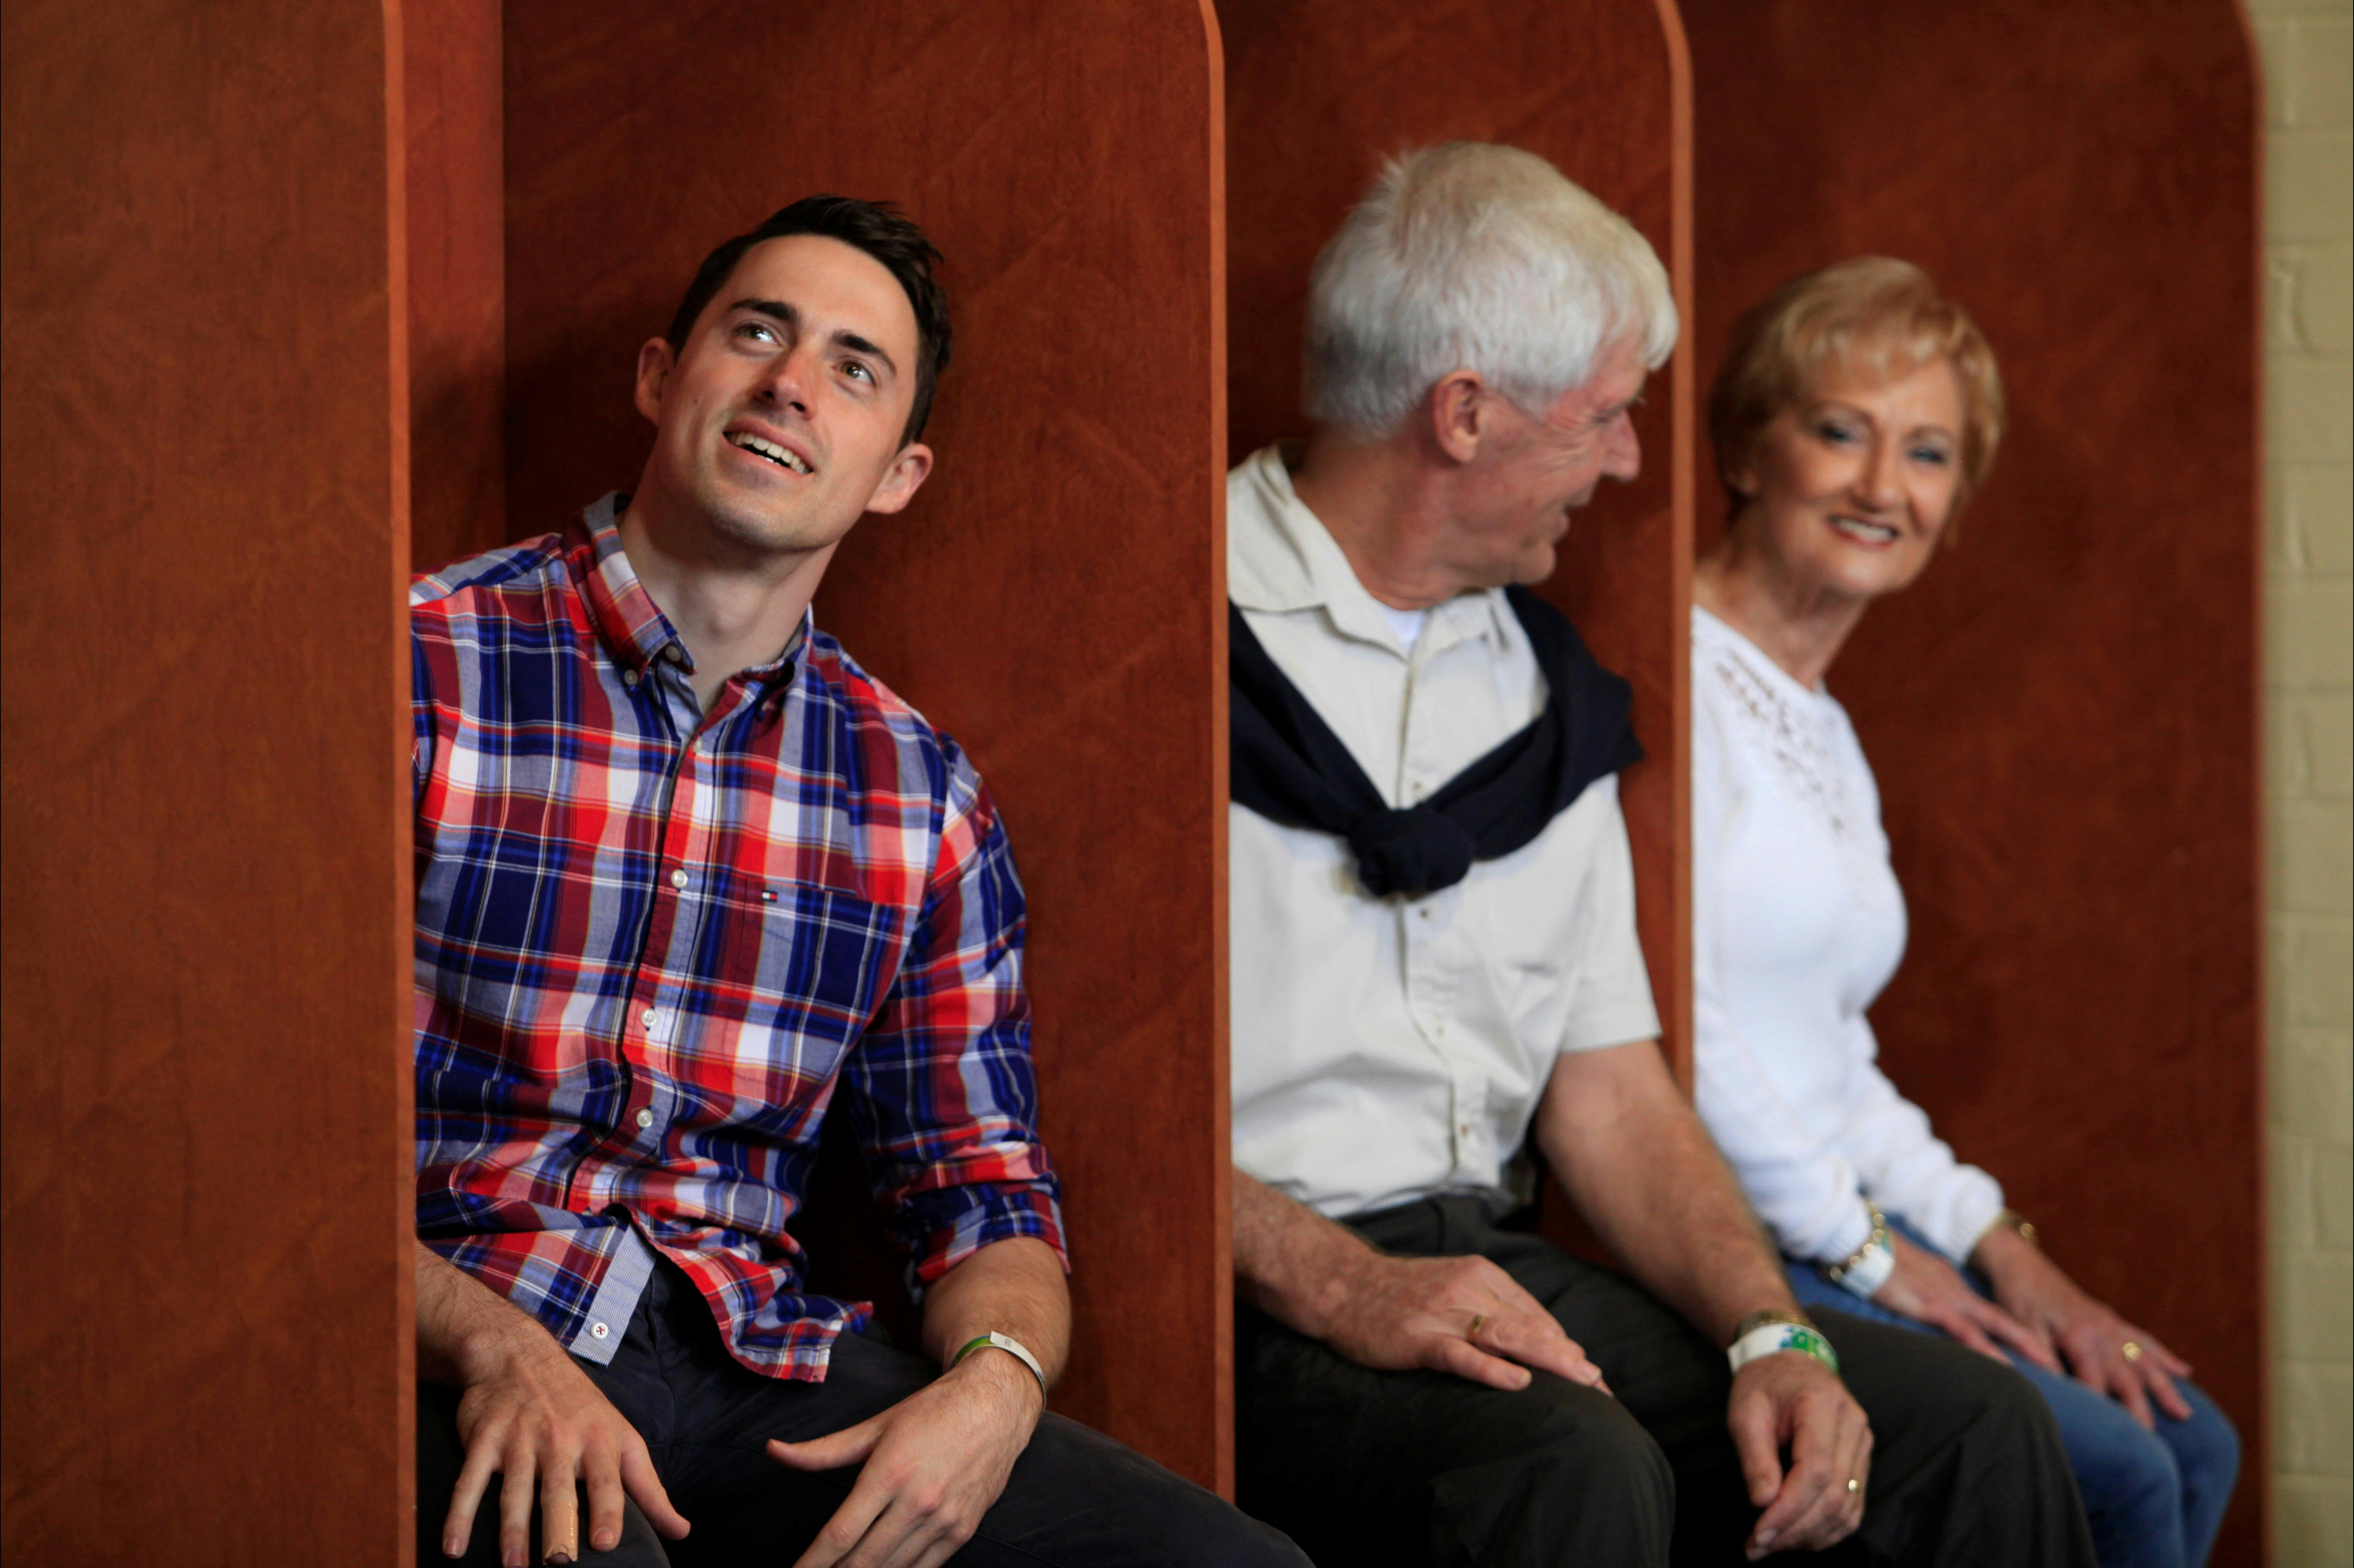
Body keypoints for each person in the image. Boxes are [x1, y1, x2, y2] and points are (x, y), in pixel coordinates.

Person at [1225, 143, 2098, 1568]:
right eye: (1603, 418)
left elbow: (1614, 1092)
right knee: (1570, 1468)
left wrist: (1777, 1333)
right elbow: (1063, 1102)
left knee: (1966, 1433)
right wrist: (1335, 1284)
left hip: (1490, 1256)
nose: (1635, 459)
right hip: (1247, 1280)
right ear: (1464, 415)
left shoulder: (1545, 697)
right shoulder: (1167, 645)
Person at [408, 195, 1307, 1568]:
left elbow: (983, 1191)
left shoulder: (916, 797)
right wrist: (493, 1351)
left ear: (897, 472)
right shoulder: (418, 672)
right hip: (452, 1328)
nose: (790, 384)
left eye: (853, 368)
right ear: (662, 380)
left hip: (746, 1362)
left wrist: (993, 1393)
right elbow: (254, 1147)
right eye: (757, 331)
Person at [1688, 256, 2240, 1568]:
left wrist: (2002, 1249)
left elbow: (1830, 1055)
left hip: (1835, 1222)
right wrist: (1874, 1256)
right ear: (1747, 448)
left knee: (2188, 1436)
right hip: (1729, 1241)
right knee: (2110, 1471)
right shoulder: (1670, 678)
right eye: (1840, 432)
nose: (1884, 488)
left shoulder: (1818, 725)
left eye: (1927, 453)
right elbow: (1673, 1031)